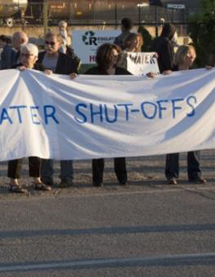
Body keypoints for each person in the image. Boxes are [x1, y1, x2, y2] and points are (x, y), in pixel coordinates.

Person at [83, 43, 133, 187]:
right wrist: (73, 77)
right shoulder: (93, 72)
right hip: (99, 116)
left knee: (119, 147)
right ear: (104, 56)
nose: (116, 57)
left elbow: (138, 82)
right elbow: (79, 84)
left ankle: (122, 178)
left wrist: (149, 77)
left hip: (117, 116)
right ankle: (97, 179)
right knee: (98, 148)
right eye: (113, 54)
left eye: (117, 54)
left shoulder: (122, 72)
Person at [36, 31, 81, 188]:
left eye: (52, 43)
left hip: (62, 106)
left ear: (60, 44)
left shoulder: (68, 61)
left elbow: (74, 80)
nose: (48, 46)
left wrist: (74, 77)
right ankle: (46, 176)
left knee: (65, 141)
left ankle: (67, 176)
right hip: (41, 104)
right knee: (45, 140)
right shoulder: (38, 58)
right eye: (46, 43)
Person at [8, 42, 52, 193]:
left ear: (36, 58)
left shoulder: (42, 71)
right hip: (18, 115)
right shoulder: (13, 71)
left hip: (35, 115)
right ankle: (14, 181)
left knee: (35, 146)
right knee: (16, 148)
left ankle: (36, 179)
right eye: (23, 55)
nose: (25, 58)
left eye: (29, 55)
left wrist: (50, 76)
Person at [165, 45, 206, 184]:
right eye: (189, 54)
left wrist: (212, 72)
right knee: (173, 144)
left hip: (191, 114)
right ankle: (172, 174)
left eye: (193, 54)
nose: (192, 57)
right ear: (181, 56)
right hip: (174, 114)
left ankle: (195, 173)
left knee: (194, 142)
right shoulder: (171, 73)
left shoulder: (196, 73)